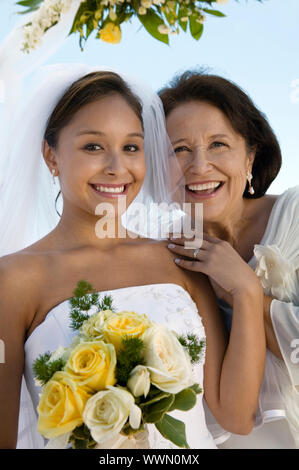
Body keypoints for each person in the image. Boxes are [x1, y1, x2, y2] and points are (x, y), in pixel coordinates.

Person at [0, 64, 266, 449]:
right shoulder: (14, 279)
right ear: (51, 155)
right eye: (93, 146)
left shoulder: (180, 259)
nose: (116, 167)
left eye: (131, 147)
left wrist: (247, 291)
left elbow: (235, 416)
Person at [160, 70, 299, 449]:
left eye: (218, 144)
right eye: (179, 150)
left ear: (250, 155)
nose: (200, 166)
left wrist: (245, 290)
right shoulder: (165, 257)